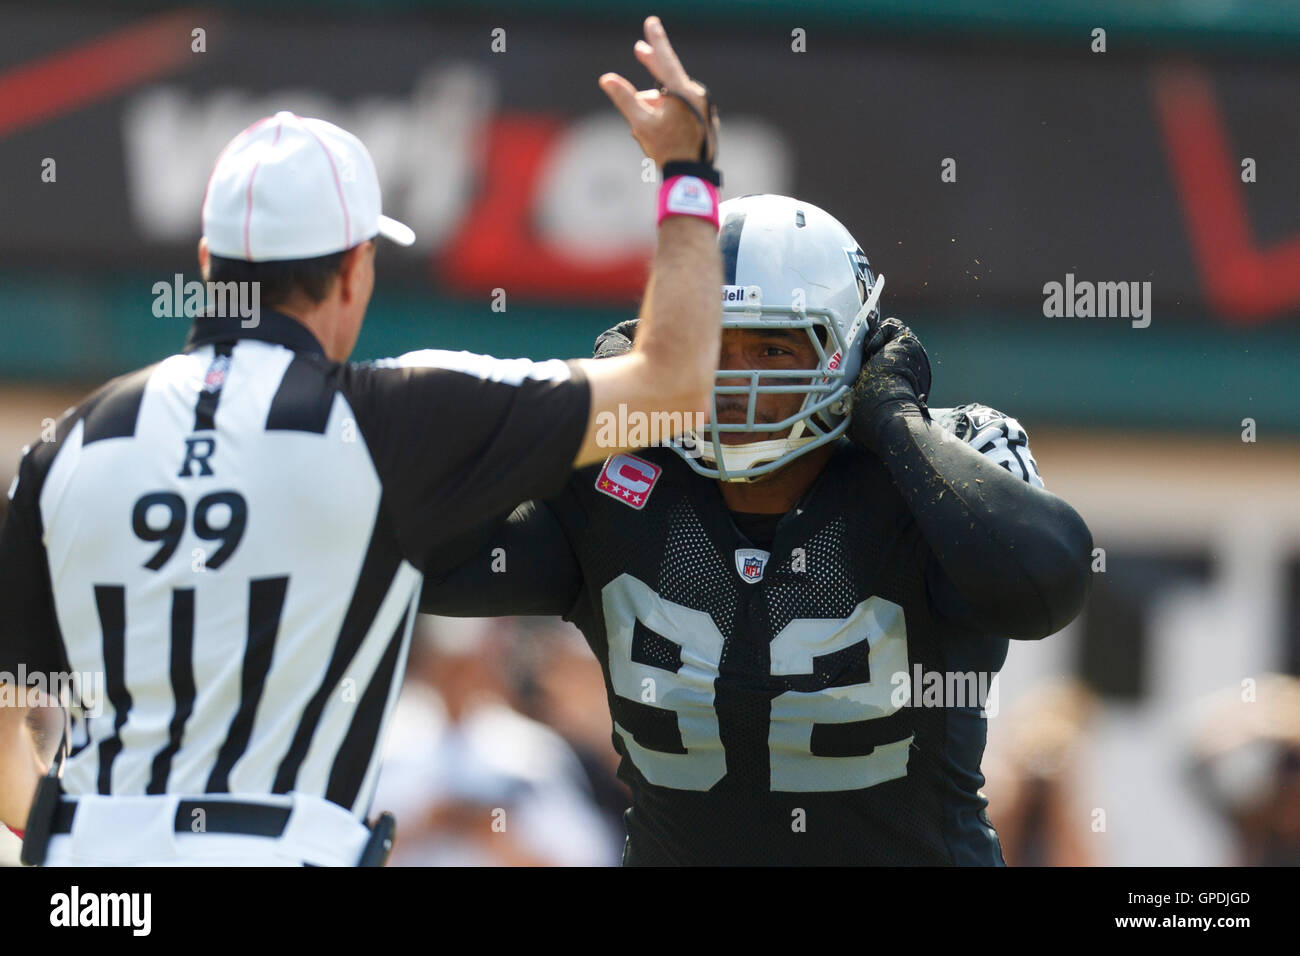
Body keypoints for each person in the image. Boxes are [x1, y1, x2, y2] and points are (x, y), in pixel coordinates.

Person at [0, 16, 723, 866]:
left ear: (208, 262)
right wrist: (688, 172)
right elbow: (672, 388)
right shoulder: (393, 417)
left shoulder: (71, 446)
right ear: (355, 268)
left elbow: (12, 713)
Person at [420, 193, 1095, 865]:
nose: (733, 382)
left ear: (851, 352)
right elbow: (420, 558)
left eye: (772, 347)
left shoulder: (936, 467)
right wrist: (589, 408)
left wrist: (894, 420)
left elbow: (1047, 586)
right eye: (710, 345)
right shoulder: (614, 483)